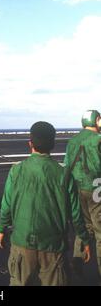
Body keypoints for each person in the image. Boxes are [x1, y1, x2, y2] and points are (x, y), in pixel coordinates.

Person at [0, 121, 90, 286]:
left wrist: (1, 229)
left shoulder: (16, 170)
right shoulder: (64, 174)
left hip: (22, 241)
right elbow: (75, 213)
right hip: (53, 246)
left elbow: (6, 205)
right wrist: (83, 238)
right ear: (53, 144)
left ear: (30, 143)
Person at [64, 110, 101, 280]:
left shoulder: (72, 141)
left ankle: (77, 258)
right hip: (96, 189)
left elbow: (67, 166)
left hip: (77, 189)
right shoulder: (99, 139)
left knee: (83, 225)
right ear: (96, 121)